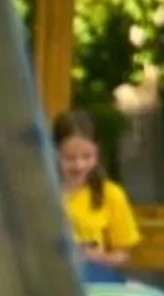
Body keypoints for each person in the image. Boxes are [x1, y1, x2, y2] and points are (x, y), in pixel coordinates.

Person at [54, 108, 141, 280]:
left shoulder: (111, 194)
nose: (79, 165)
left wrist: (101, 258)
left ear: (97, 153)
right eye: (70, 158)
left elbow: (123, 254)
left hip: (96, 280)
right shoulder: (40, 193)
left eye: (87, 157)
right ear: (54, 153)